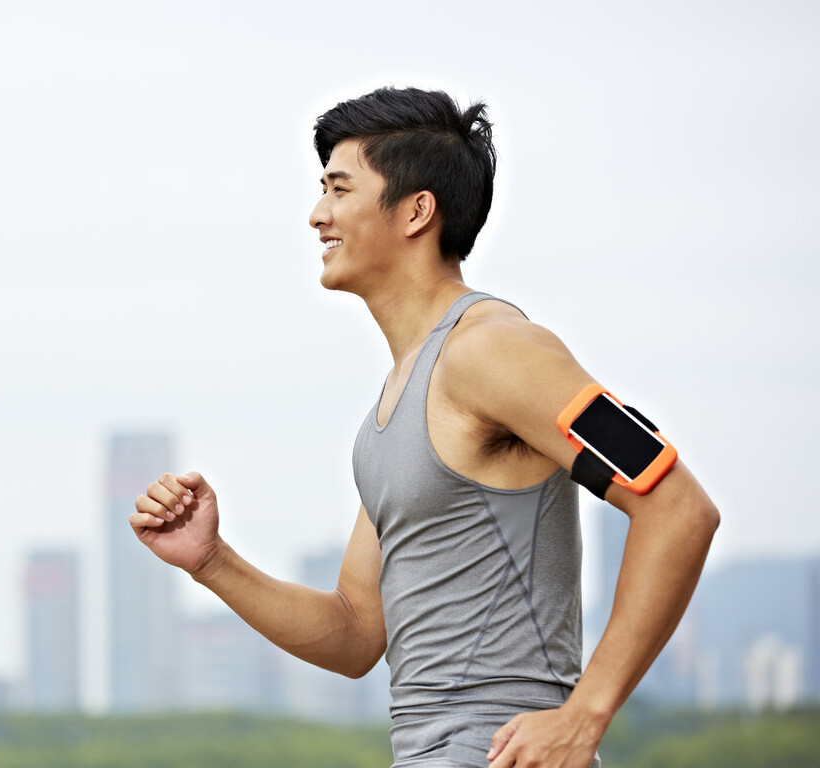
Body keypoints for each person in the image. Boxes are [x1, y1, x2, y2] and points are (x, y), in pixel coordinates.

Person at [131, 87, 718, 768]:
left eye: (339, 188)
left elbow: (677, 507)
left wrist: (585, 714)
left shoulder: (495, 349)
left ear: (416, 211)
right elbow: (355, 634)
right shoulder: (393, 408)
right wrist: (212, 561)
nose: (318, 214)